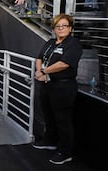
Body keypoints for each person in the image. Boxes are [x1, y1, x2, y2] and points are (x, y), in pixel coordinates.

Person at [33, 14, 82, 165]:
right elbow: (39, 57)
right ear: (53, 29)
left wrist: (43, 72)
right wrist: (39, 71)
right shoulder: (50, 42)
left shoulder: (73, 44)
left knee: (63, 120)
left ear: (70, 28)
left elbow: (64, 64)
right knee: (49, 116)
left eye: (64, 26)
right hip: (48, 85)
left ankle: (65, 151)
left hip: (64, 87)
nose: (60, 28)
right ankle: (50, 140)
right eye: (57, 26)